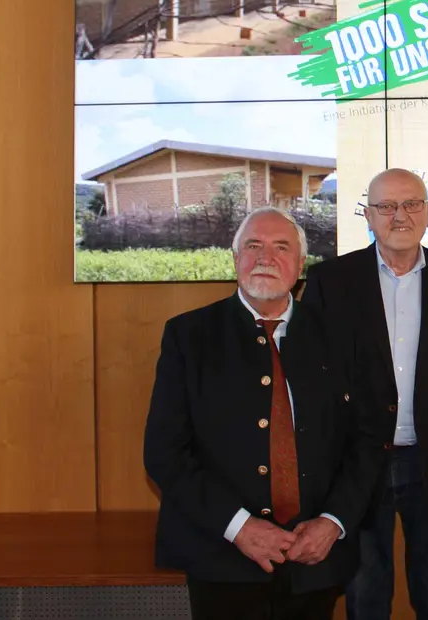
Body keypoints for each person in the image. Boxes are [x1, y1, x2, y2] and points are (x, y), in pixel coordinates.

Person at [144, 207, 392, 620]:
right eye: (253, 246)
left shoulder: (342, 337)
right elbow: (164, 453)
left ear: (300, 264)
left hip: (315, 557)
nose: (265, 257)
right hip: (220, 555)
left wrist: (333, 521)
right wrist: (238, 526)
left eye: (281, 247)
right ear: (234, 257)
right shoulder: (189, 336)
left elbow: (368, 440)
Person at [304, 169, 428, 620]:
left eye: (411, 204)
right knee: (364, 599)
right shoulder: (330, 281)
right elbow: (313, 388)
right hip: (356, 467)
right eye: (386, 207)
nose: (399, 216)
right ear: (368, 216)